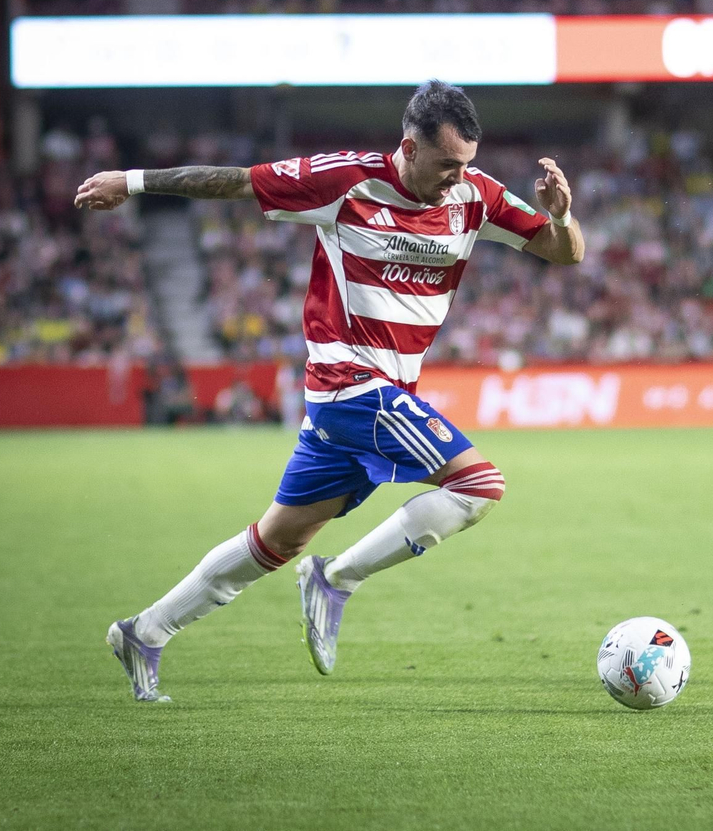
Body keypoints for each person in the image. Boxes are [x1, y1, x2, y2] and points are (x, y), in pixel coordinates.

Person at [76, 80, 585, 701]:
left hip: (376, 398)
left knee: (276, 540)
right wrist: (130, 182)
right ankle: (338, 578)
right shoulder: (345, 181)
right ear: (410, 147)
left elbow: (565, 254)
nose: (458, 178)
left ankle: (145, 631)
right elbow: (233, 182)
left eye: (466, 164)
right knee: (478, 485)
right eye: (447, 164)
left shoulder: (474, 195)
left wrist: (560, 215)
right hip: (352, 386)